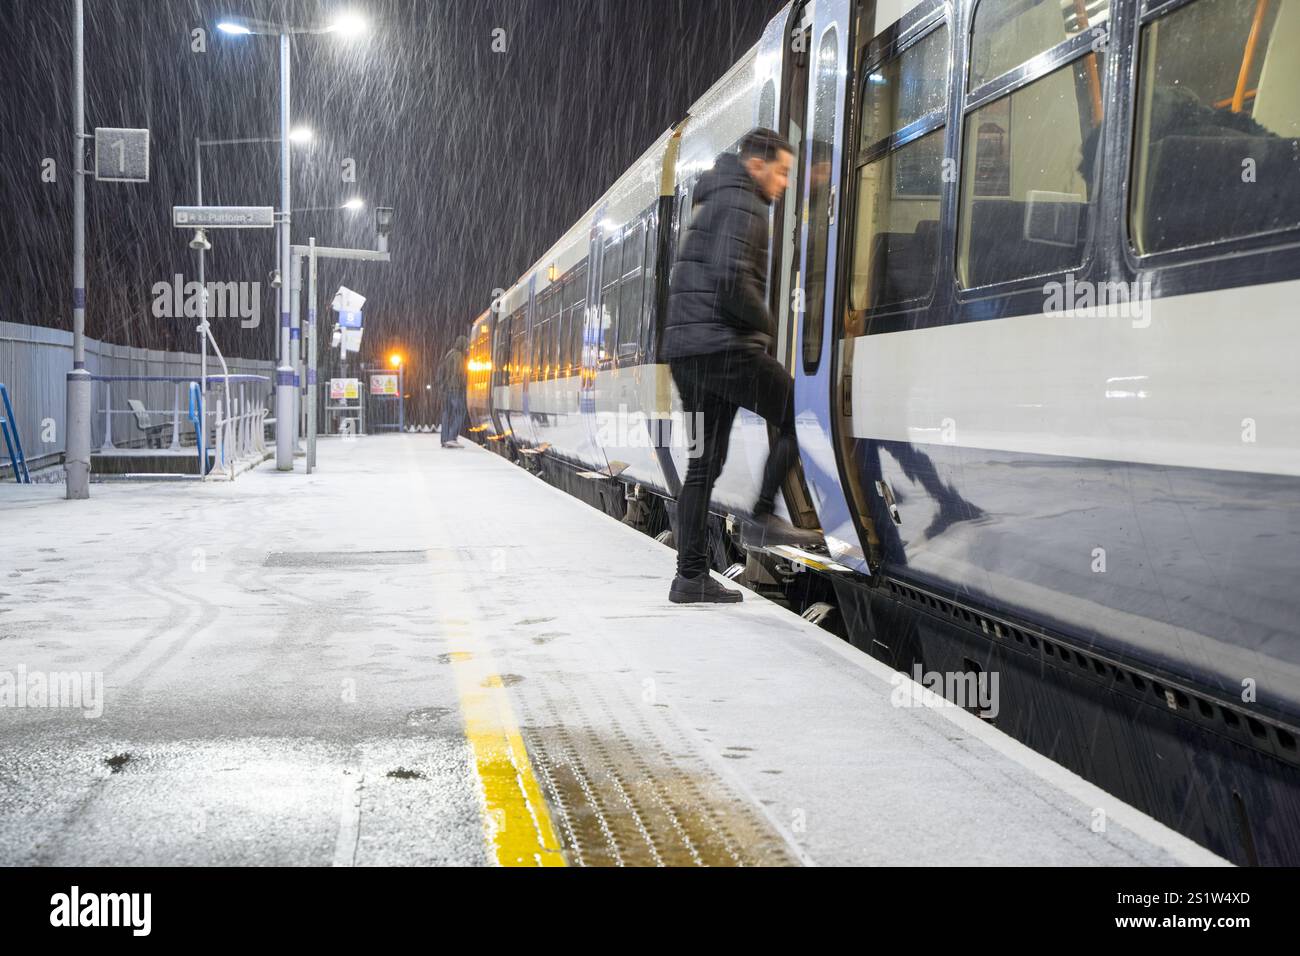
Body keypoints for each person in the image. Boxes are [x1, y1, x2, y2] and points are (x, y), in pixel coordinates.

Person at [662, 127, 823, 605]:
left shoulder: (713, 203)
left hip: (688, 357)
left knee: (701, 466)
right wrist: (767, 324)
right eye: (782, 172)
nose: (785, 183)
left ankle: (689, 577)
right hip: (726, 350)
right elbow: (730, 279)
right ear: (758, 165)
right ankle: (760, 515)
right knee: (801, 414)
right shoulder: (744, 204)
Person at [436, 335, 468, 448]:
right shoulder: (458, 356)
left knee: (447, 414)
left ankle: (444, 439)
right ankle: (452, 437)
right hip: (456, 389)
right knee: (460, 412)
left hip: (446, 389)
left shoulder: (449, 354)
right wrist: (465, 384)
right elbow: (460, 373)